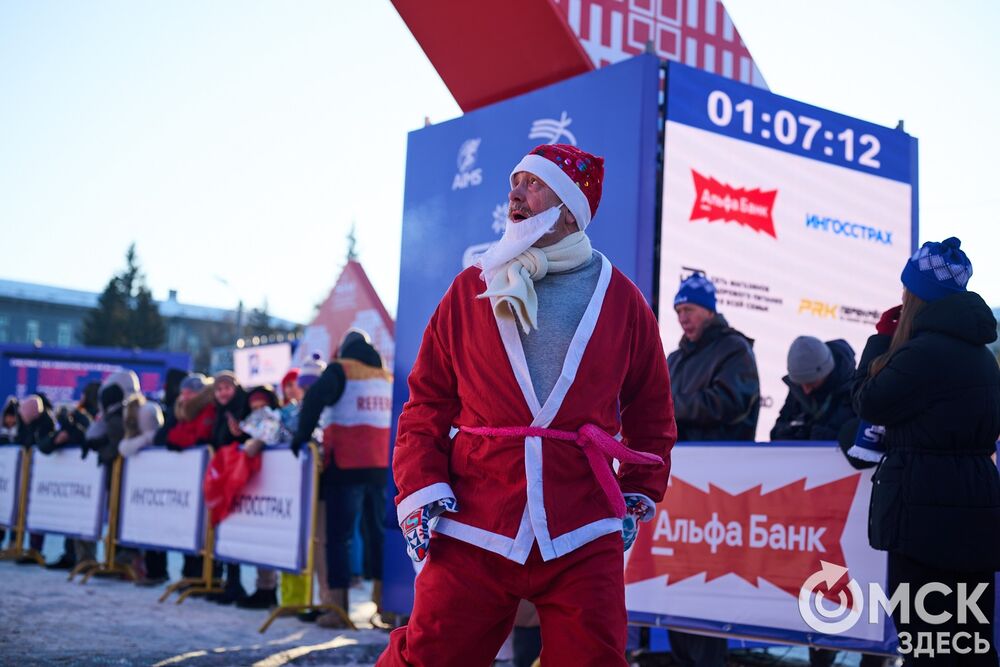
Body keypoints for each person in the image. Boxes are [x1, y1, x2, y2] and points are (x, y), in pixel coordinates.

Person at [376, 144, 676, 666]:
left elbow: (652, 413)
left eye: (533, 183)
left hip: (582, 520)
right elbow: (426, 403)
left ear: (570, 205)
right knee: (431, 656)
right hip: (477, 514)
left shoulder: (623, 301)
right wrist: (421, 487)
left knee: (594, 660)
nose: (514, 193)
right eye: (513, 182)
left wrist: (636, 495)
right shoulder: (470, 288)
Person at [853, 238, 1000, 666]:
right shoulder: (982, 358)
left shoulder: (921, 354)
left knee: (926, 644)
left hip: (923, 518)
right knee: (969, 642)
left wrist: (880, 342)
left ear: (916, 296)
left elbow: (868, 401)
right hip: (975, 509)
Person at [665, 272, 759, 667]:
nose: (683, 318)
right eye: (678, 311)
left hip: (718, 489)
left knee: (706, 585)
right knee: (677, 581)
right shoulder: (674, 357)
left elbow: (730, 402)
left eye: (688, 309)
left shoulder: (734, 349)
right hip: (677, 487)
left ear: (708, 309)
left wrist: (671, 406)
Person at [293, 331, 393, 629]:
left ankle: (338, 608)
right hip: (380, 466)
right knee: (378, 535)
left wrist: (301, 436)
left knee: (339, 537)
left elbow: (313, 398)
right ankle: (385, 605)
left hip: (346, 463)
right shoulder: (386, 376)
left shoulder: (340, 369)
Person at [770, 336, 855, 442]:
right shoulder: (798, 387)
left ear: (826, 372)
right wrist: (784, 433)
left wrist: (817, 436)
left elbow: (856, 445)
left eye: (811, 383)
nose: (806, 390)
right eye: (801, 384)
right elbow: (779, 427)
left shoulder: (854, 393)